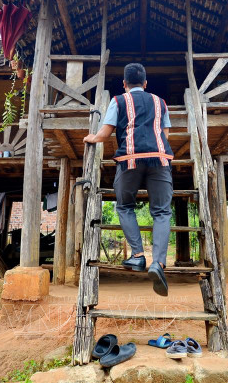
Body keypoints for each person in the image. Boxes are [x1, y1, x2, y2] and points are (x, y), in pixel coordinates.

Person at [84, 63, 174, 296]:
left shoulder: (118, 101)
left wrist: (92, 137)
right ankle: (159, 263)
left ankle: (138, 255)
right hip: (160, 159)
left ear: (124, 84)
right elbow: (165, 134)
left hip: (130, 159)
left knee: (125, 206)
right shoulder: (160, 102)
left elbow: (105, 133)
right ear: (145, 83)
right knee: (162, 212)